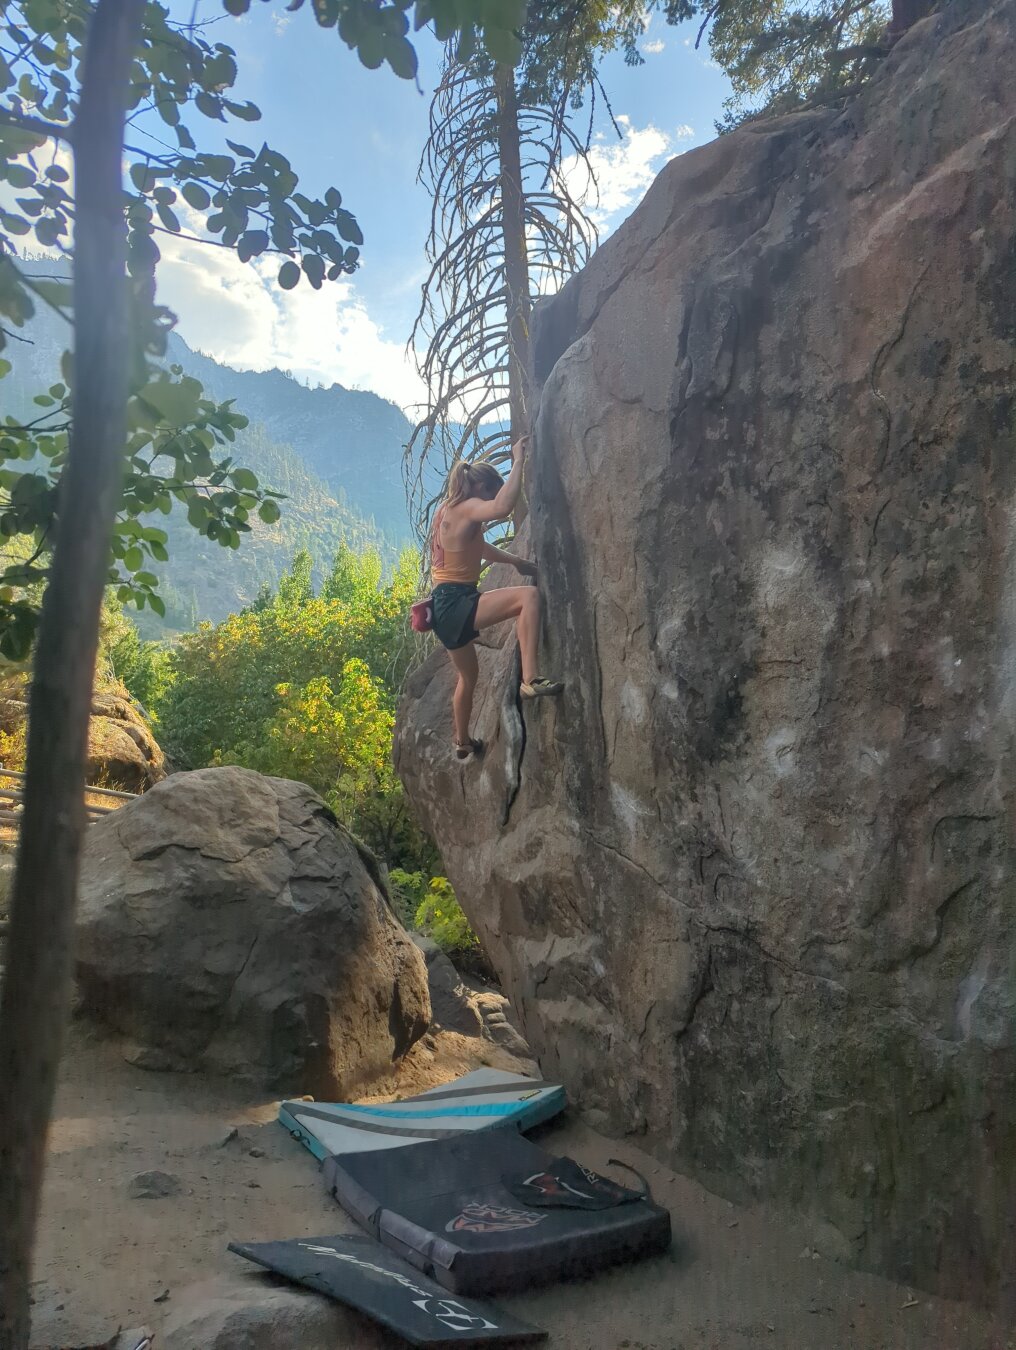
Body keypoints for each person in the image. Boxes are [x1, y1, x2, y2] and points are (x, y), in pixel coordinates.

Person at [430, 435, 563, 760]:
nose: (492, 500)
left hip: (441, 609)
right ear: (481, 489)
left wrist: (514, 561)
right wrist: (518, 460)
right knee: (529, 597)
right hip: (456, 601)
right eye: (491, 490)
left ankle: (462, 741)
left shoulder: (448, 510)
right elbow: (502, 506)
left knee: (468, 676)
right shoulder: (468, 507)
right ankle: (530, 679)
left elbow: (475, 547)